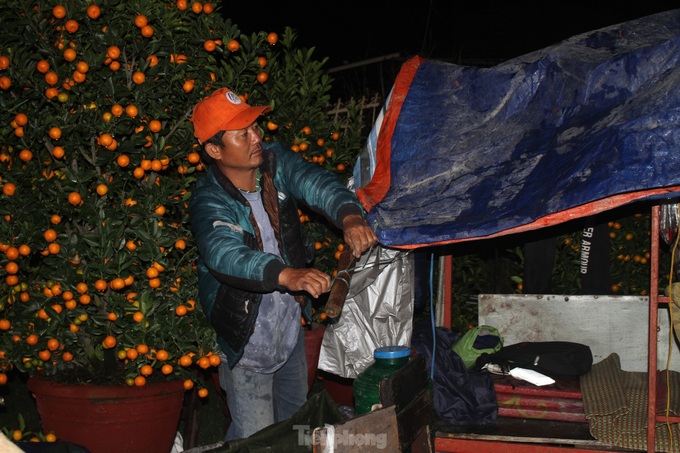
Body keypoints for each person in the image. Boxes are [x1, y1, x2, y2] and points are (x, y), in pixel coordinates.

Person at [188, 87, 377, 440]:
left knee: (292, 433)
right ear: (214, 150)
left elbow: (315, 182)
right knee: (258, 438)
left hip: (288, 331)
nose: (256, 137)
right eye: (242, 134)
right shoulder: (208, 200)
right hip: (246, 343)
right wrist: (288, 275)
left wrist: (349, 214)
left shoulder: (274, 163)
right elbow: (223, 253)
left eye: (255, 126)